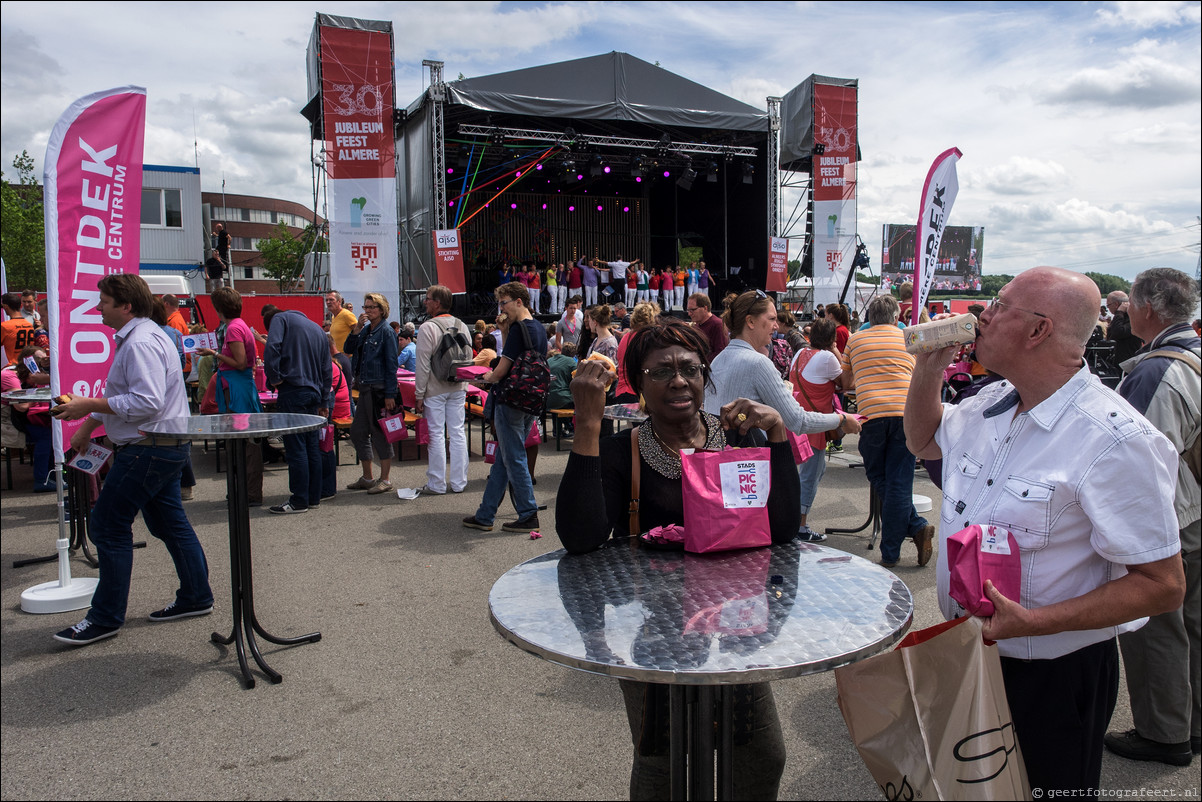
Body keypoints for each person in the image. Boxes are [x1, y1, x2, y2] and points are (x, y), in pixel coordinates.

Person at [903, 266, 1186, 793]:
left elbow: (1163, 584)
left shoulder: (1114, 439)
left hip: (1053, 674)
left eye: (1000, 304)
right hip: (971, 655)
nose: (980, 313)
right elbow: (923, 442)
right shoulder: (989, 401)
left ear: (1038, 331)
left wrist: (1035, 621)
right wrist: (928, 369)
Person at [556, 319, 800, 800]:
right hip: (653, 631)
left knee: (759, 757)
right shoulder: (618, 453)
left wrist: (775, 434)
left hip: (735, 622)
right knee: (663, 769)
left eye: (690, 368)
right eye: (661, 371)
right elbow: (580, 539)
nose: (679, 381)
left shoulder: (738, 440)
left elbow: (785, 528)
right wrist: (587, 423)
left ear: (706, 375)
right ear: (639, 382)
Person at [50, 273, 214, 645]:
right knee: (169, 524)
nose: (97, 308)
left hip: (148, 449)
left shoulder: (139, 342)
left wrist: (86, 406)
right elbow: (125, 395)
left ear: (125, 305)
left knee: (107, 525)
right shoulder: (143, 337)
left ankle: (105, 617)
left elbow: (146, 402)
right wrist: (89, 422)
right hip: (160, 446)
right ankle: (195, 596)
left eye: (103, 302)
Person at [1105, 268, 1200, 766]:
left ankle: (1163, 733)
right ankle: (1192, 721)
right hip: (1195, 505)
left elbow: (1139, 459)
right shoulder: (1195, 354)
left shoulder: (1155, 369)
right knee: (1194, 620)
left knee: (1154, 624)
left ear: (1146, 308)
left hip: (1171, 515)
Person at [705, 291, 858, 531]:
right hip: (750, 470)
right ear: (751, 321)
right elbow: (798, 420)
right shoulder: (758, 363)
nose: (776, 325)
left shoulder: (719, 360)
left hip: (719, 468)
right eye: (771, 318)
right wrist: (840, 418)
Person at [841, 294, 934, 568]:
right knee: (899, 481)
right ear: (896, 317)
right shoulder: (908, 336)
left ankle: (893, 551)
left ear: (870, 317)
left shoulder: (855, 339)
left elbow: (846, 380)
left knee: (879, 477)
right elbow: (920, 374)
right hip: (907, 413)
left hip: (871, 415)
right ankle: (914, 526)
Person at [462, 281, 545, 534]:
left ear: (519, 301)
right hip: (529, 398)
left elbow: (502, 369)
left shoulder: (521, 328)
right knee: (504, 458)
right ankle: (486, 514)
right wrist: (505, 330)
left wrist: (484, 377)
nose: (501, 307)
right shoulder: (536, 327)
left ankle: (528, 513)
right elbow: (517, 357)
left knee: (513, 456)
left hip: (511, 399)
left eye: (504, 302)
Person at [262, 303, 333, 513]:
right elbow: (326, 367)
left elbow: (272, 347)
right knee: (311, 446)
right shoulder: (317, 329)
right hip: (314, 393)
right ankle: (313, 497)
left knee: (296, 448)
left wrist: (274, 378)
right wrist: (323, 399)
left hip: (293, 390)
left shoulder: (279, 320)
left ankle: (299, 500)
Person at [196, 287, 264, 506]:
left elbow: (241, 362)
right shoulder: (239, 325)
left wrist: (214, 353)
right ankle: (244, 490)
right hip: (238, 388)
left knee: (243, 442)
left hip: (236, 391)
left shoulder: (233, 328)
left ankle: (248, 492)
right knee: (244, 442)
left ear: (219, 308)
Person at [789, 318, 844, 541]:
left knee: (808, 473)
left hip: (797, 421)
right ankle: (800, 526)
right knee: (810, 476)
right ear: (831, 339)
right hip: (815, 424)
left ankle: (795, 521)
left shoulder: (799, 354)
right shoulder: (828, 357)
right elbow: (846, 381)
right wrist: (835, 350)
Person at [414, 284, 471, 496]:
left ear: (437, 303)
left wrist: (419, 394)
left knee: (436, 434)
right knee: (458, 433)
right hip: (458, 385)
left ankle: (437, 483)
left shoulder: (428, 327)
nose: (425, 302)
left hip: (435, 387)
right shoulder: (462, 325)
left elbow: (422, 365)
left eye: (428, 298)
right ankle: (459, 482)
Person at [343, 293, 399, 497]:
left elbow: (392, 364)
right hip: (365, 387)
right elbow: (348, 348)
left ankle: (385, 480)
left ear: (382, 309)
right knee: (358, 432)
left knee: (380, 434)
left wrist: (390, 393)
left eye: (372, 307)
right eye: (366, 306)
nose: (367, 310)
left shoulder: (386, 331)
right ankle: (367, 478)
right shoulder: (366, 330)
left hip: (378, 389)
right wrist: (356, 328)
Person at [13, 346, 54, 492]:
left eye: (44, 358)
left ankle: (51, 476)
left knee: (51, 434)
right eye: (39, 358)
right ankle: (41, 480)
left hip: (40, 417)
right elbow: (22, 407)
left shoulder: (42, 374)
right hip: (24, 420)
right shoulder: (23, 378)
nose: (43, 361)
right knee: (46, 437)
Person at [1105, 289, 1144, 364]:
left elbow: (1118, 332)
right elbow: (1110, 335)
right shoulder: (1121, 317)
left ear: (1116, 304)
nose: (1108, 309)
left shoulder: (1132, 317)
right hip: (1119, 360)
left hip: (1127, 362)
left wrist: (1119, 312)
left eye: (1108, 305)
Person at [685, 292, 728, 358]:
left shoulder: (717, 325)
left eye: (692, 310)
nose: (689, 314)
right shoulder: (696, 325)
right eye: (688, 310)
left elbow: (721, 353)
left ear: (705, 308)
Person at [1, 292, 35, 366]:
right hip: (28, 366)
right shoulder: (29, 325)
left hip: (13, 366)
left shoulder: (4, 326)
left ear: (6, 306)